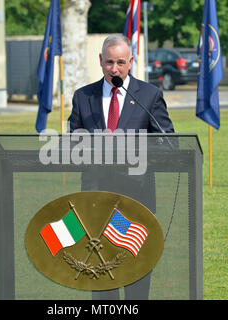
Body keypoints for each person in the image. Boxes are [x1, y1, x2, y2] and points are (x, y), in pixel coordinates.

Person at [67, 34, 175, 300]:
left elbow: (168, 142)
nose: (114, 69)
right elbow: (72, 144)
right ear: (100, 61)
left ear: (131, 63)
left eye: (120, 62)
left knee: (134, 264)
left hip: (135, 196)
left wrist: (132, 148)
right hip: (96, 196)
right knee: (101, 269)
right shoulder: (83, 97)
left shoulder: (149, 96)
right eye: (108, 62)